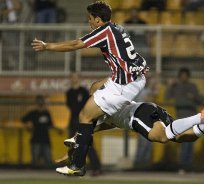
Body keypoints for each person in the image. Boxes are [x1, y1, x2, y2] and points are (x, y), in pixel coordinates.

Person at [32, 1, 148, 176]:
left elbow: (75, 45)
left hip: (125, 83)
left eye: (90, 19)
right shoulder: (117, 27)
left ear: (99, 20)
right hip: (134, 77)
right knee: (94, 88)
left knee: (85, 115)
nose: (89, 23)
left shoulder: (104, 32)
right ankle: (83, 136)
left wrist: (48, 46)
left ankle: (77, 163)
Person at [60, 79, 204, 176]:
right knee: (183, 137)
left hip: (139, 115)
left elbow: (96, 89)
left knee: (161, 137)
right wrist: (74, 151)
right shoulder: (101, 114)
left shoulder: (104, 103)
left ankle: (201, 116)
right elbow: (90, 131)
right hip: (149, 109)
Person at [166, 67, 202, 172]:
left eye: (185, 76)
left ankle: (188, 166)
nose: (183, 78)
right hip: (181, 117)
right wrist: (170, 85)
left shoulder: (192, 86)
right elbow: (167, 96)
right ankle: (183, 166)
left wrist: (193, 97)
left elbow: (200, 100)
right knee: (184, 142)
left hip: (192, 116)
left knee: (191, 142)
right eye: (181, 76)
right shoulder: (176, 86)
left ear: (188, 76)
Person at [66, 73, 102, 176]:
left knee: (88, 145)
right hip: (73, 122)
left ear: (78, 79)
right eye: (72, 77)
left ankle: (97, 168)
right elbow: (71, 106)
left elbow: (85, 105)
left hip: (84, 121)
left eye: (76, 77)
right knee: (72, 146)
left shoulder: (84, 91)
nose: (74, 79)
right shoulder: (69, 92)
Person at [21, 95, 60, 168]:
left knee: (48, 160)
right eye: (39, 101)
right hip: (35, 138)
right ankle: (34, 176)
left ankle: (46, 176)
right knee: (35, 160)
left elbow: (51, 124)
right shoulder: (33, 113)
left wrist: (57, 130)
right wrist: (28, 126)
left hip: (45, 139)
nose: (40, 103)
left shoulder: (46, 113)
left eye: (41, 101)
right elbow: (23, 120)